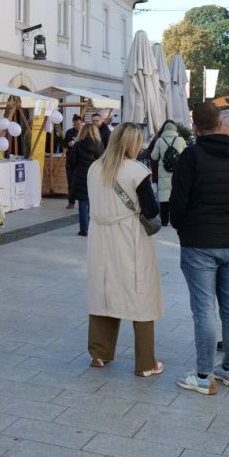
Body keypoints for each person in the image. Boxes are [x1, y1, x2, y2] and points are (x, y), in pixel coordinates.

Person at [169, 103, 229, 395]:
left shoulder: (192, 156)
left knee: (204, 308)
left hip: (199, 242)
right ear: (220, 123)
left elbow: (178, 200)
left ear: (194, 126)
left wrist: (182, 227)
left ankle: (204, 374)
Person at [86, 123, 163, 377]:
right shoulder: (137, 171)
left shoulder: (94, 168)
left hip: (99, 237)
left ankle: (99, 353)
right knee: (140, 294)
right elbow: (151, 210)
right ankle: (145, 363)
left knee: (104, 292)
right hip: (129, 237)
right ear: (132, 142)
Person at [69, 124, 105, 237]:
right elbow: (103, 162)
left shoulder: (78, 145)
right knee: (93, 204)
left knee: (83, 204)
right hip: (95, 177)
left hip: (81, 177)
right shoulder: (99, 145)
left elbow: (72, 161)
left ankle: (83, 229)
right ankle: (93, 228)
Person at [148, 120, 186, 226]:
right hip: (177, 172)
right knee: (176, 195)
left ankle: (164, 221)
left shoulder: (160, 140)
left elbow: (154, 156)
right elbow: (186, 155)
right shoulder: (180, 140)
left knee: (164, 198)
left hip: (163, 172)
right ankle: (177, 221)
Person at [63, 115, 83, 210]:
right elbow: (64, 143)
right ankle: (71, 202)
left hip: (81, 160)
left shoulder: (85, 132)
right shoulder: (69, 132)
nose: (76, 126)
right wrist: (69, 144)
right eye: (75, 124)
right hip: (70, 160)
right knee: (70, 181)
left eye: (78, 124)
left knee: (82, 182)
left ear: (81, 123)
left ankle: (83, 201)